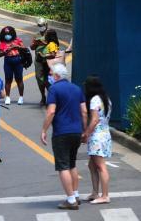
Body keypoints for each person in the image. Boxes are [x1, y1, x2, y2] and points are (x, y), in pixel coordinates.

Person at [41, 63, 87, 210]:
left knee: (63, 166)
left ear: (56, 75)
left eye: (51, 73)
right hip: (76, 131)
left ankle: (71, 200)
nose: (50, 76)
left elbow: (51, 111)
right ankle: (76, 194)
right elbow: (84, 111)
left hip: (61, 132)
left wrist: (44, 130)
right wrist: (84, 130)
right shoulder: (76, 88)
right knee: (72, 164)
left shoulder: (54, 89)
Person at [83, 76, 112, 204]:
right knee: (92, 165)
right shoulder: (106, 99)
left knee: (100, 166)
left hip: (97, 136)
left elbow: (94, 120)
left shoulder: (95, 100)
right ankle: (95, 192)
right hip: (105, 134)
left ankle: (105, 195)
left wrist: (86, 134)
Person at [0, 26, 25, 105]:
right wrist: (5, 51)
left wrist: (17, 47)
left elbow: (24, 49)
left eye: (9, 34)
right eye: (6, 34)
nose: (7, 35)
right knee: (8, 79)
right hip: (8, 61)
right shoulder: (2, 43)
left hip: (18, 61)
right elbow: (0, 54)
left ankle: (21, 97)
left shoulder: (18, 40)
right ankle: (8, 97)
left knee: (19, 79)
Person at [30, 17, 48, 105]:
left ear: (46, 25)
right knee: (39, 78)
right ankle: (43, 96)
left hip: (49, 59)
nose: (41, 27)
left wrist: (45, 43)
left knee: (49, 80)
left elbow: (55, 45)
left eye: (42, 25)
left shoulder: (50, 34)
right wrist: (35, 44)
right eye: (39, 25)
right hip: (39, 60)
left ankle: (52, 97)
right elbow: (32, 47)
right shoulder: (36, 35)